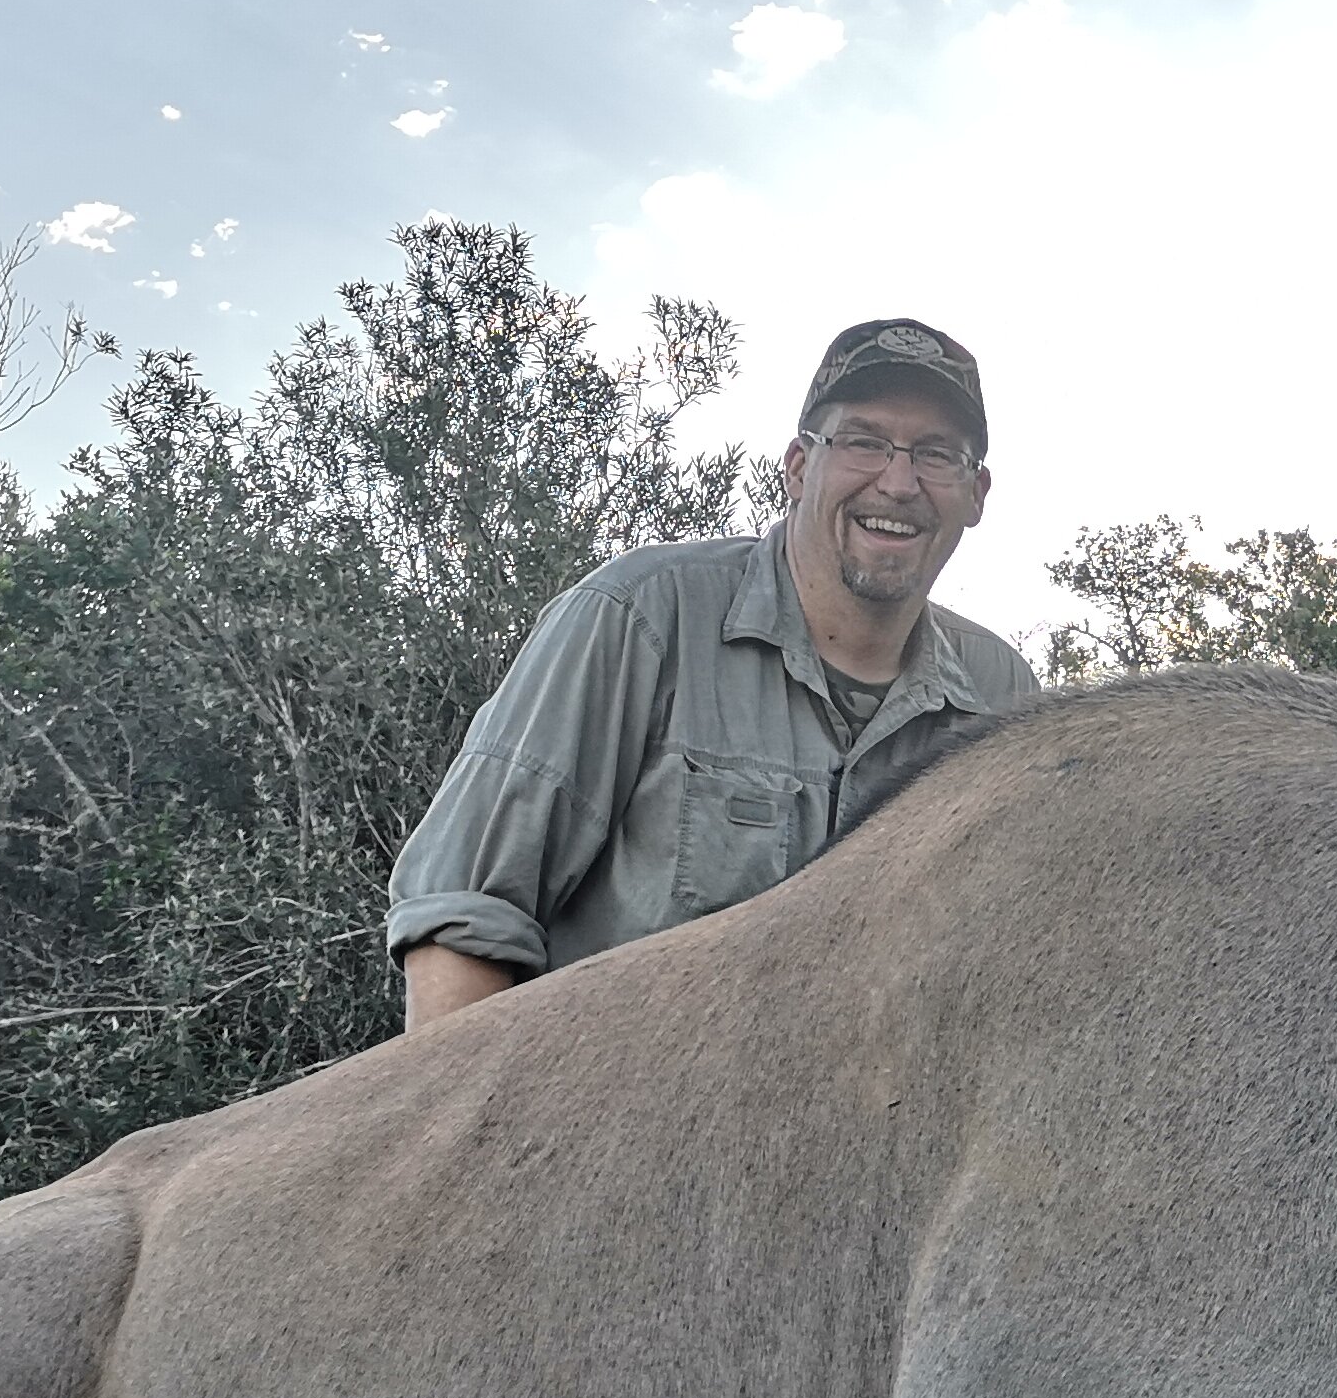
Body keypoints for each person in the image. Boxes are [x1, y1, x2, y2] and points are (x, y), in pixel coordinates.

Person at [386, 316, 1037, 1030]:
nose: (899, 481)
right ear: (797, 465)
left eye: (938, 454)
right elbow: (464, 917)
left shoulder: (1003, 696)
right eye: (863, 441)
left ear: (977, 493)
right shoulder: (639, 616)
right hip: (616, 1119)